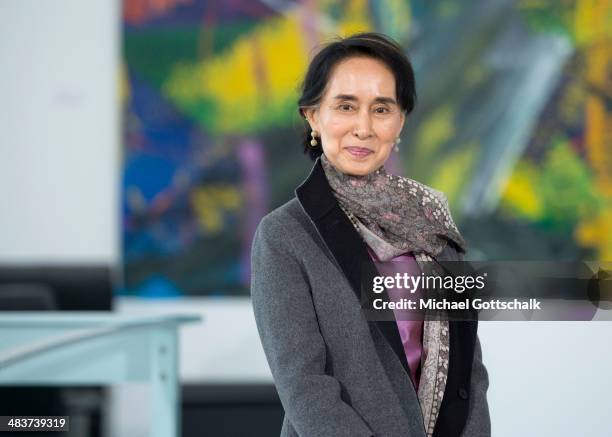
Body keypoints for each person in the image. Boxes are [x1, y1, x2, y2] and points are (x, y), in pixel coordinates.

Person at [250, 32, 490, 437]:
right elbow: (306, 391)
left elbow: (470, 370)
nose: (363, 127)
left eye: (381, 109)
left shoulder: (432, 221)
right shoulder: (285, 235)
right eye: (345, 106)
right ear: (313, 115)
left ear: (400, 122)